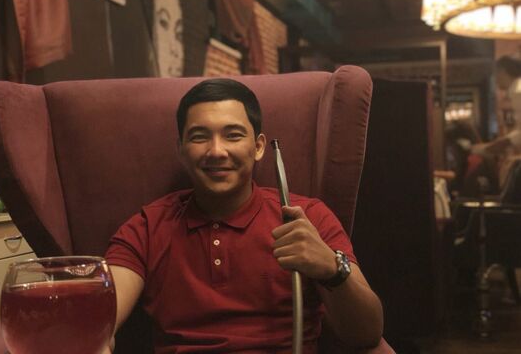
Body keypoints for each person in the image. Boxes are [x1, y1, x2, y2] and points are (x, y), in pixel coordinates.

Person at [103, 78, 383, 353]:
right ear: (181, 150)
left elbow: (367, 333)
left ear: (258, 147)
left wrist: (332, 270)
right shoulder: (148, 226)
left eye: (233, 135)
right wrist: (97, 338)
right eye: (199, 137)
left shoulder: (308, 217)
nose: (216, 151)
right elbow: (100, 318)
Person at [472, 56, 521, 188]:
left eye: (495, 74)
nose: (495, 79)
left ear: (503, 71)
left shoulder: (518, 90)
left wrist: (499, 144)